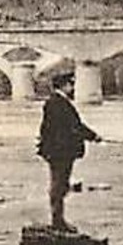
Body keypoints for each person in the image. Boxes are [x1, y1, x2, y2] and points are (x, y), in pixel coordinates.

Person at [37, 71, 101, 234]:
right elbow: (74, 127)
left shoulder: (56, 102)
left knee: (60, 185)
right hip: (61, 152)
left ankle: (58, 220)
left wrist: (91, 135)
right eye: (70, 84)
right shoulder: (58, 103)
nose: (73, 88)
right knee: (58, 187)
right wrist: (93, 136)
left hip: (58, 152)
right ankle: (58, 222)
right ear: (64, 86)